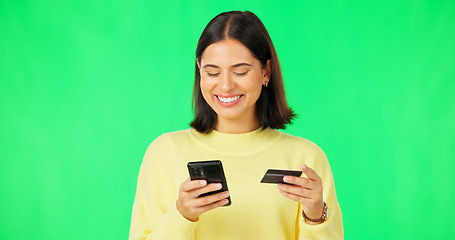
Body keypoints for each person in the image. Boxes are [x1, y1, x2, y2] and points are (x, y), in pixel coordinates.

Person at [129, 11, 343, 240]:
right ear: (199, 70)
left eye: (240, 71)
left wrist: (315, 217)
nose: (226, 85)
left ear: (266, 72)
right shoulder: (164, 152)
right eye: (212, 72)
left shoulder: (306, 158)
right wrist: (182, 215)